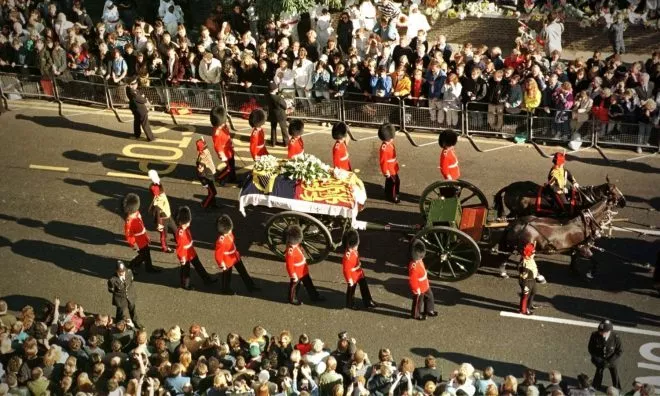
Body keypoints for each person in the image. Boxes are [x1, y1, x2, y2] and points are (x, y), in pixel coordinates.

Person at [214, 214, 260, 294]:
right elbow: (218, 254)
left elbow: (233, 245)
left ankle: (251, 286)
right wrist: (222, 264)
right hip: (227, 260)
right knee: (227, 276)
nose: (231, 231)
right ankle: (225, 289)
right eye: (229, 230)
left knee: (243, 272)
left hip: (235, 256)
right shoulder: (221, 241)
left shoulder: (229, 234)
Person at [175, 206, 216, 290]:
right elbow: (180, 247)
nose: (189, 224)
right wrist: (182, 257)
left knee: (198, 265)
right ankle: (185, 284)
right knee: (185, 270)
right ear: (181, 222)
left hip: (190, 251)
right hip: (185, 254)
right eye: (187, 222)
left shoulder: (184, 229)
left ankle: (207, 279)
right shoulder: (181, 233)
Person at [122, 193, 161, 275]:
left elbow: (142, 226)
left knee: (147, 252)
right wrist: (134, 245)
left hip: (143, 238)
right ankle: (132, 265)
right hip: (137, 242)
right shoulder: (129, 222)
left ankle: (148, 267)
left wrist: (146, 236)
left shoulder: (136, 212)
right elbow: (129, 236)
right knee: (143, 255)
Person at [284, 225, 323, 305]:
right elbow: (289, 266)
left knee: (309, 284)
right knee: (294, 287)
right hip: (297, 273)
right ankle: (292, 299)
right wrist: (293, 275)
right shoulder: (290, 252)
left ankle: (314, 296)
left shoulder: (296, 244)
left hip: (303, 270)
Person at [342, 229, 377, 310]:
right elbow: (346, 270)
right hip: (353, 275)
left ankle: (368, 301)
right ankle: (350, 304)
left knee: (364, 286)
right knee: (351, 291)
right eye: (356, 245)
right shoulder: (347, 257)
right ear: (351, 245)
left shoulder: (354, 251)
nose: (357, 247)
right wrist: (349, 279)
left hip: (359, 272)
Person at [588, 320, 622, 390]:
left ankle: (617, 388)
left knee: (614, 374)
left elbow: (620, 351)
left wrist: (610, 361)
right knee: (599, 372)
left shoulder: (615, 337)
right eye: (600, 331)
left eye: (604, 332)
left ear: (609, 331)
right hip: (600, 360)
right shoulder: (594, 335)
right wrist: (597, 359)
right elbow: (591, 348)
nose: (601, 333)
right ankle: (596, 386)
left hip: (612, 360)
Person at [148, 170, 176, 253]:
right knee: (163, 235)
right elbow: (158, 216)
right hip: (163, 220)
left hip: (168, 216)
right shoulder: (157, 204)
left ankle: (177, 240)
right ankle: (165, 248)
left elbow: (159, 185)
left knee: (175, 230)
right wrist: (159, 224)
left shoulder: (160, 193)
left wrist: (156, 179)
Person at [408, 240, 437, 320]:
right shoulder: (414, 266)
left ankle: (429, 310)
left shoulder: (419, 260)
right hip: (419, 287)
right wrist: (416, 289)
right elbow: (413, 280)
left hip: (424, 283)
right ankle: (415, 314)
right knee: (418, 302)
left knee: (430, 296)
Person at [107, 261, 141, 328]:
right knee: (121, 312)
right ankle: (119, 325)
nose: (122, 273)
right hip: (120, 298)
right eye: (120, 271)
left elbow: (131, 280)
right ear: (116, 271)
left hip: (130, 295)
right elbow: (111, 290)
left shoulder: (129, 272)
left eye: (123, 271)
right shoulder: (112, 280)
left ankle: (136, 323)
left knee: (133, 310)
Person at [210, 106, 237, 184]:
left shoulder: (223, 126)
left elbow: (227, 136)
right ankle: (219, 179)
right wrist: (223, 156)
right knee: (229, 168)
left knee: (232, 165)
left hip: (229, 150)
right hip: (225, 153)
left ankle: (233, 178)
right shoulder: (217, 133)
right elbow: (218, 147)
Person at [378, 123, 400, 204]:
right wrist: (385, 171)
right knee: (394, 183)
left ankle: (387, 193)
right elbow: (383, 161)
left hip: (393, 166)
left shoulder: (389, 144)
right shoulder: (384, 148)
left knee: (389, 182)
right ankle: (393, 197)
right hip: (390, 169)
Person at [265, 82, 290, 147]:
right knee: (283, 129)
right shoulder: (278, 98)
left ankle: (273, 142)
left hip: (272, 114)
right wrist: (282, 98)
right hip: (280, 115)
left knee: (273, 128)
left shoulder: (267, 96)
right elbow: (284, 106)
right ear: (274, 89)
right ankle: (286, 142)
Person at [518, 242, 538, 315]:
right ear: (528, 255)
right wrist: (525, 286)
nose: (534, 254)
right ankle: (524, 310)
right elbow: (523, 277)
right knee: (526, 296)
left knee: (533, 292)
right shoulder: (525, 264)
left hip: (532, 279)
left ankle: (529, 305)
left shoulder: (530, 259)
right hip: (527, 282)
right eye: (532, 253)